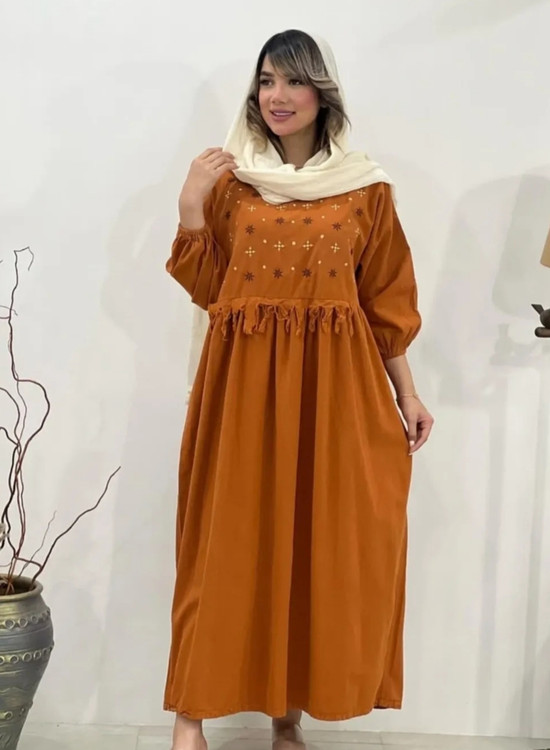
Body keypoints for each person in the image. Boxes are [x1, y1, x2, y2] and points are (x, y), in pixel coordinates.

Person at [164, 29, 434, 750]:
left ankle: (288, 717)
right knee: (222, 547)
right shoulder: (230, 183)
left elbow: (385, 301)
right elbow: (209, 288)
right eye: (265, 81)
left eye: (292, 81)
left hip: (334, 393)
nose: (276, 96)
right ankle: (189, 717)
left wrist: (407, 395)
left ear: (323, 92)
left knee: (310, 548)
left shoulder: (367, 189)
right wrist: (191, 207)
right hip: (241, 389)